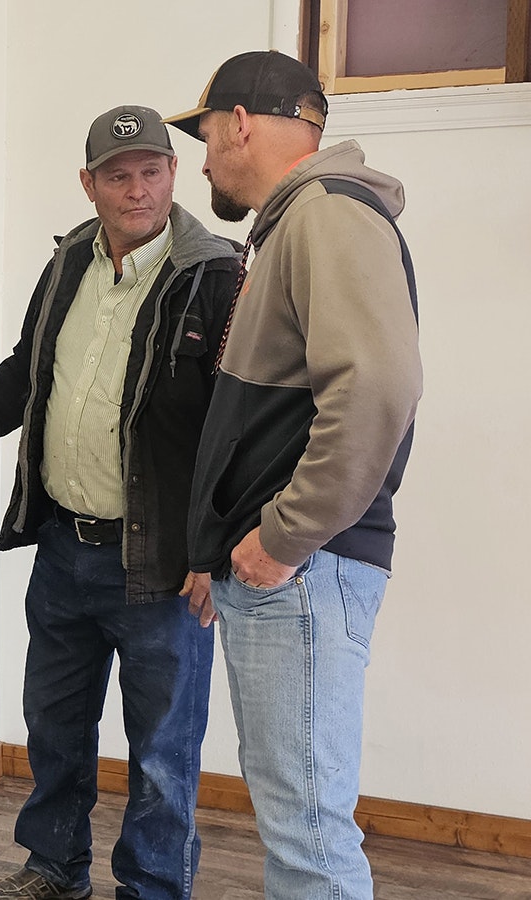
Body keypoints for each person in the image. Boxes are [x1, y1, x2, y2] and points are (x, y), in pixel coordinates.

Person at [0, 105, 242, 900]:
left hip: (165, 566)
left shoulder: (217, 275)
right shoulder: (71, 258)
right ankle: (53, 869)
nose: (136, 189)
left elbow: (238, 428)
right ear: (90, 185)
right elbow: (27, 367)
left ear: (174, 175)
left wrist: (214, 554)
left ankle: (150, 889)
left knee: (161, 750)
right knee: (55, 727)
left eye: (151, 171)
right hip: (65, 549)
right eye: (118, 176)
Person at [164, 51, 421, 900]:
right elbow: (263, 423)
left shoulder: (327, 215)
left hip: (301, 575)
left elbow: (377, 385)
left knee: (308, 837)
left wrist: (282, 539)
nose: (202, 160)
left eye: (204, 135)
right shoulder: (296, 223)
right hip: (286, 574)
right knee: (298, 820)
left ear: (240, 121)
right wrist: (218, 544)